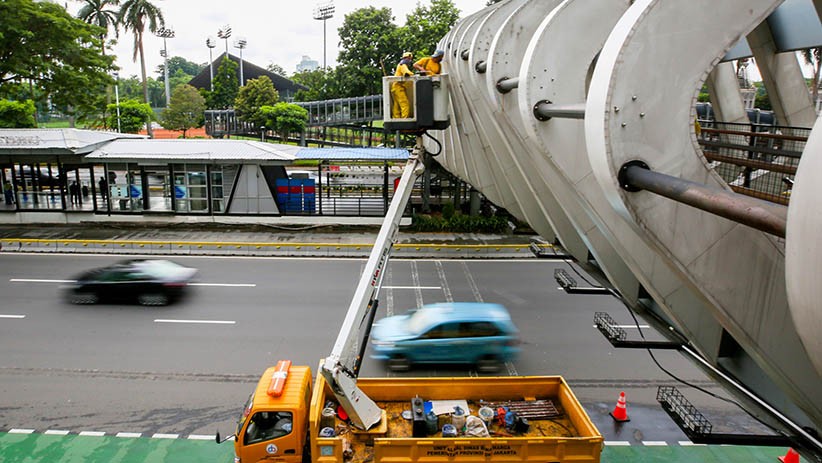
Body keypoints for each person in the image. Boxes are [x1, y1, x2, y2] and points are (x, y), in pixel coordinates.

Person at [391, 52, 415, 119]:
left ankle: (396, 118)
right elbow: (407, 73)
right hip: (398, 87)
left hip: (395, 87)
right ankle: (405, 119)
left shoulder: (400, 65)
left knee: (397, 105)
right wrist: (414, 75)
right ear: (407, 58)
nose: (410, 60)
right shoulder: (403, 65)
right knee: (405, 104)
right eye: (409, 59)